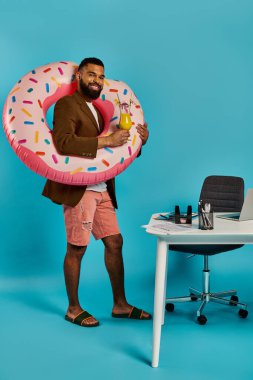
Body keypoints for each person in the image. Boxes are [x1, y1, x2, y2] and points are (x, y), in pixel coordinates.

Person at [43, 57, 150, 327]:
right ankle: (73, 308)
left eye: (101, 77)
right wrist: (107, 140)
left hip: (103, 188)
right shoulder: (67, 104)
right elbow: (64, 142)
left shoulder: (103, 111)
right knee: (77, 248)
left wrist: (138, 145)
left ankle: (120, 305)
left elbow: (114, 151)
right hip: (80, 188)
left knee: (115, 242)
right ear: (78, 76)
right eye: (91, 75)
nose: (97, 81)